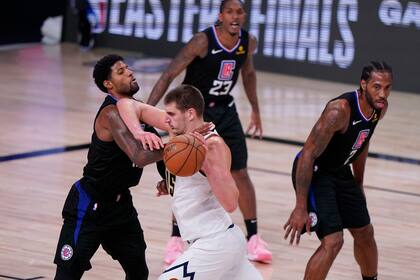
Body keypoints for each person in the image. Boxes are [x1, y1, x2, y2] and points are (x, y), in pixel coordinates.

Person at [141, 0, 272, 264]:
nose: (235, 16)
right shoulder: (202, 41)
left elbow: (248, 74)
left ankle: (254, 238)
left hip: (226, 110)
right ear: (220, 15)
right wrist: (145, 110)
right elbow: (169, 75)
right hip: (194, 112)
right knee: (182, 170)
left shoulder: (248, 42)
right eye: (230, 12)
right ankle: (176, 238)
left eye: (240, 12)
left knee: (241, 172)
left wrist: (256, 110)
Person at [53, 54, 167, 279]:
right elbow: (140, 155)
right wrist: (177, 148)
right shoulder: (111, 114)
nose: (130, 72)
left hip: (121, 206)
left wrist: (167, 179)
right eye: (122, 71)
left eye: (128, 68)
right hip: (89, 206)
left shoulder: (137, 110)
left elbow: (157, 144)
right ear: (109, 84)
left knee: (138, 272)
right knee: (67, 276)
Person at [283, 61, 393, 280]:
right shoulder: (339, 111)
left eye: (387, 88)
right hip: (316, 172)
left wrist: (358, 184)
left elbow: (361, 143)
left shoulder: (378, 110)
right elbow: (307, 155)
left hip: (340, 171)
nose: (383, 94)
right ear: (363, 85)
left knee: (365, 232)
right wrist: (300, 206)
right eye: (377, 87)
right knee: (333, 241)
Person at [156, 84, 262, 279]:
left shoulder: (212, 147)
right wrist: (171, 184)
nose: (165, 120)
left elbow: (231, 202)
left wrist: (208, 166)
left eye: (171, 114)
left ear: (189, 114)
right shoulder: (183, 139)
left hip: (214, 243)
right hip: (220, 240)